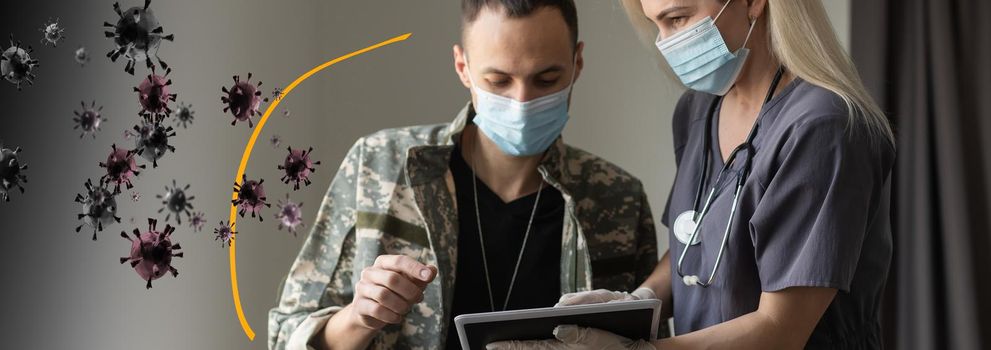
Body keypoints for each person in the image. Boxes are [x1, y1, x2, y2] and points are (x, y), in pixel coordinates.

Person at [488, 0, 896, 349]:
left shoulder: (823, 127)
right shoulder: (698, 111)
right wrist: (639, 299)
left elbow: (782, 329)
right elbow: (696, 239)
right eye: (656, 24)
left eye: (678, 18)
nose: (665, 42)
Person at [267, 1, 662, 349]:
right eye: (498, 81)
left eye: (546, 79)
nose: (521, 101)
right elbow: (286, 335)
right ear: (463, 68)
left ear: (577, 63)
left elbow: (650, 342)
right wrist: (359, 317)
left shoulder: (616, 198)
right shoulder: (380, 166)